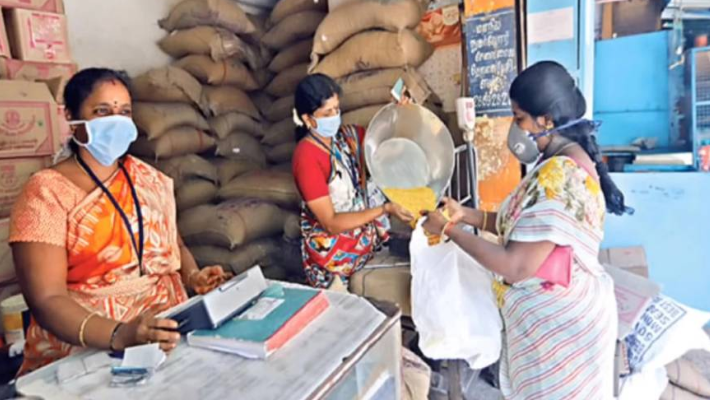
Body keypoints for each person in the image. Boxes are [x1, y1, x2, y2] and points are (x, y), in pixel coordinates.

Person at [423, 61, 630, 399]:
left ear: (546, 120)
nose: (514, 127)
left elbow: (515, 265)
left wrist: (448, 228)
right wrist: (466, 215)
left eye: (519, 118)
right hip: (566, 320)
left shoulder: (558, 176)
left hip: (561, 333)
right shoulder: (562, 161)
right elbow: (522, 226)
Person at [9, 68, 232, 375]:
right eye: (102, 111)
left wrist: (193, 276)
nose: (116, 120)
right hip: (86, 348)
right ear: (72, 118)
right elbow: (46, 298)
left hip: (165, 333)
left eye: (124, 112)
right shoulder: (46, 193)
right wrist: (117, 335)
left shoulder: (150, 179)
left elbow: (173, 244)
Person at [291, 74, 414, 290]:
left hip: (366, 244)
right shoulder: (306, 156)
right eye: (327, 113)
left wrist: (397, 113)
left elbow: (381, 141)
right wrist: (384, 209)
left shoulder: (347, 139)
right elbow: (330, 223)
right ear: (308, 119)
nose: (335, 116)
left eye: (337, 109)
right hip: (333, 257)